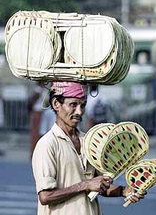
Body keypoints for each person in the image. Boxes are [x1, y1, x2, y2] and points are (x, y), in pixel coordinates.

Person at [32, 81, 146, 215]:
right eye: (73, 105)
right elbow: (45, 196)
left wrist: (124, 191)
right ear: (56, 104)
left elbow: (99, 185)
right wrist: (85, 185)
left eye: (83, 105)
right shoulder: (47, 144)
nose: (79, 112)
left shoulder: (88, 141)